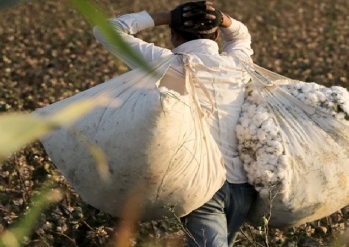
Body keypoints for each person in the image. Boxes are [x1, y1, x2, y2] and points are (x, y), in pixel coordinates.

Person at [93, 1, 257, 246]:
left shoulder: (166, 64)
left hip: (201, 186)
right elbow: (240, 36)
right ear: (215, 35)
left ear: (174, 35)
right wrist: (222, 19)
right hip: (242, 188)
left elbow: (107, 30)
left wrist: (166, 16)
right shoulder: (236, 65)